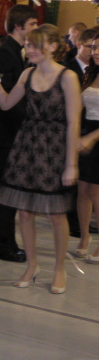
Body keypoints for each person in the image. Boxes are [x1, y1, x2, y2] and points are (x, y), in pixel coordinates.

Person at [0, 24, 81, 294]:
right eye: (28, 44)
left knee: (56, 213)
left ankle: (59, 268)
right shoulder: (28, 73)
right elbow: (5, 103)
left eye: (35, 45)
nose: (30, 49)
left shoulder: (68, 77)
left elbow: (73, 122)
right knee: (24, 211)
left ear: (53, 46)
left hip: (55, 147)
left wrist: (71, 164)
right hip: (27, 144)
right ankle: (32, 265)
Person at [0, 4, 39, 263]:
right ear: (19, 26)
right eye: (32, 24)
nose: (35, 29)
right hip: (4, 133)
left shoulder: (17, 52)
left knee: (9, 190)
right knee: (4, 191)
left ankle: (5, 241)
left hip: (11, 133)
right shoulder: (4, 53)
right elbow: (5, 99)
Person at [75, 34, 99, 263]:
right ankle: (84, 236)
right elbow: (79, 105)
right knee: (83, 189)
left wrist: (92, 137)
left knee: (96, 192)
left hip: (96, 135)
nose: (96, 52)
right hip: (87, 131)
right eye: (93, 47)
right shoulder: (90, 73)